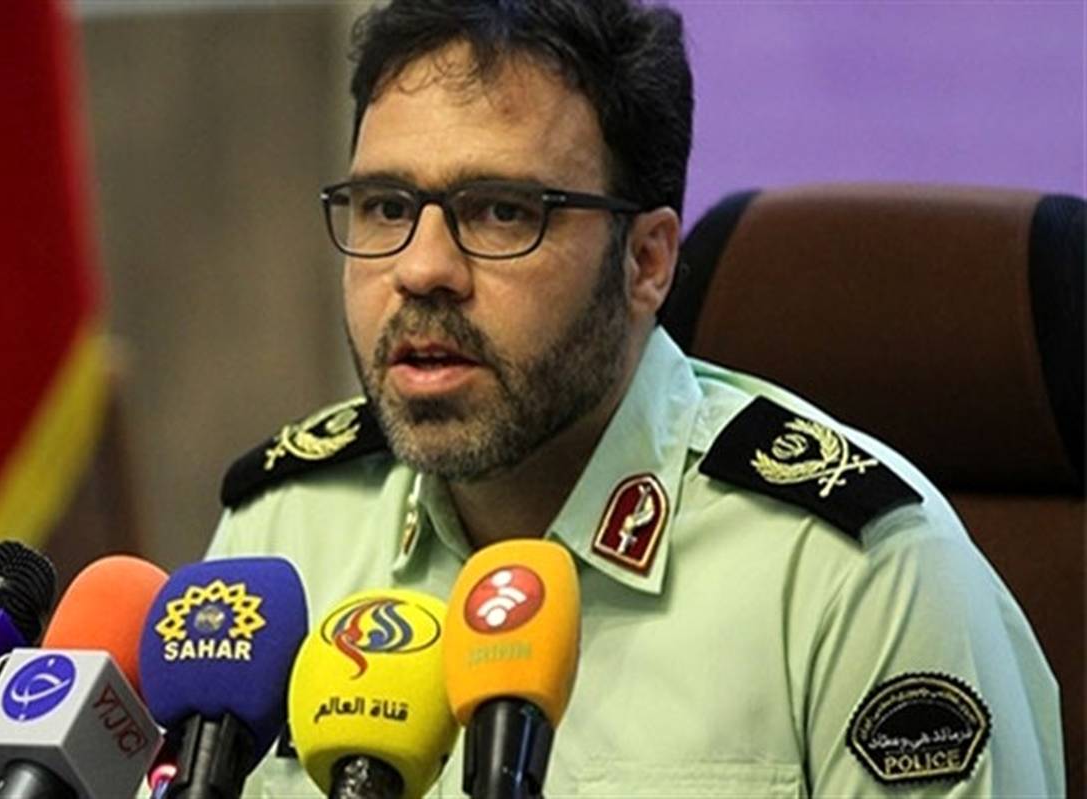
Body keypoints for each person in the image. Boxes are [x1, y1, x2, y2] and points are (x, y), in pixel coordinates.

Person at [207, 1, 1064, 795]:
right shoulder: (284, 530)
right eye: (386, 207)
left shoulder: (856, 571)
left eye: (502, 212)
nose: (422, 267)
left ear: (647, 261)